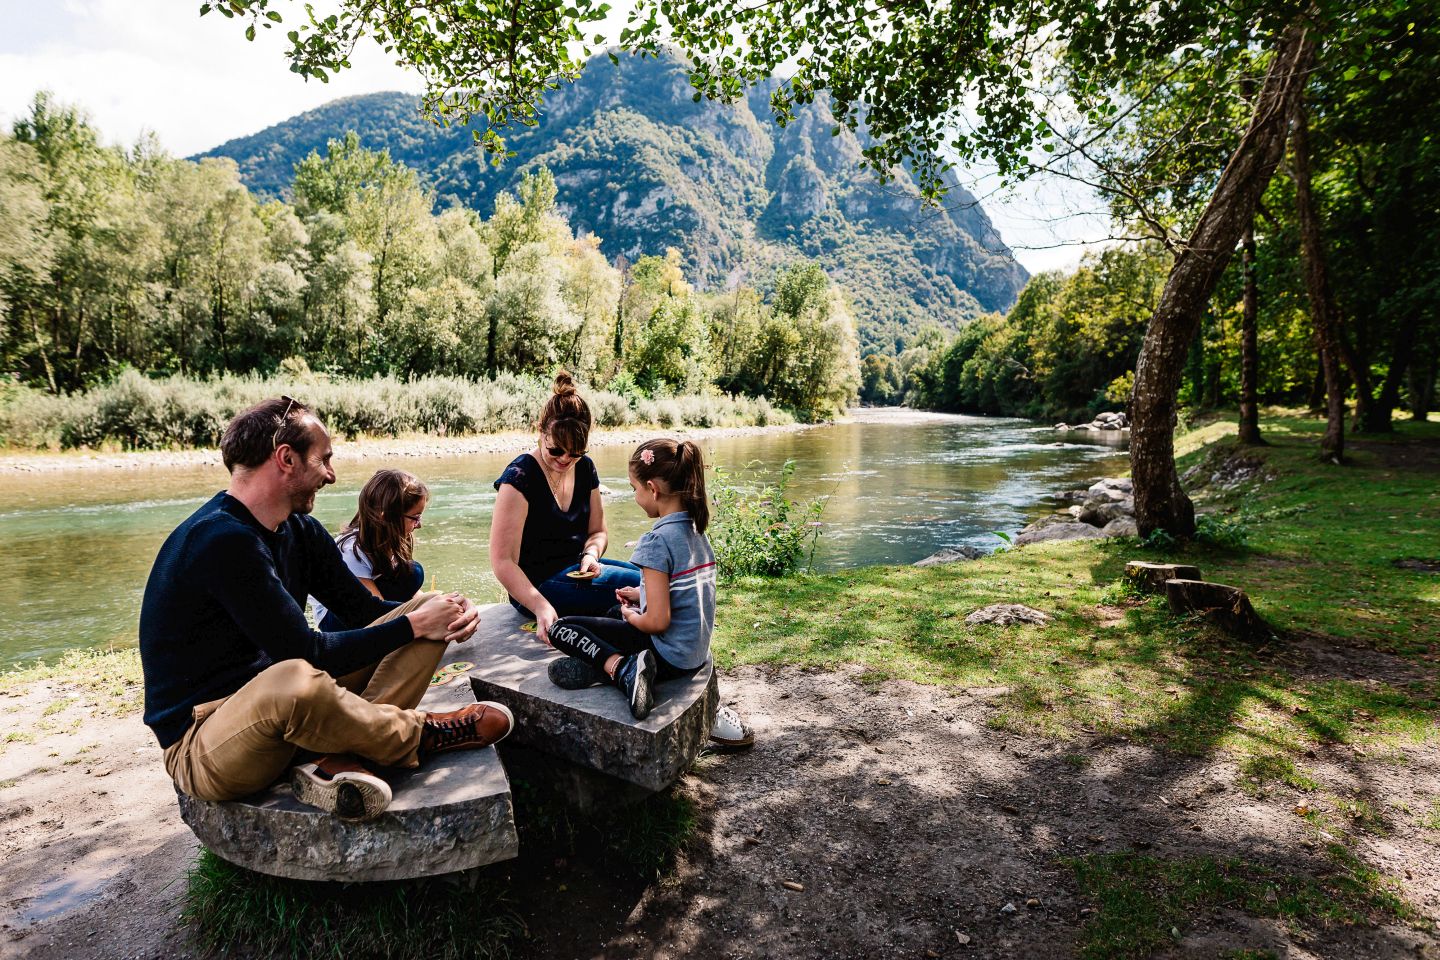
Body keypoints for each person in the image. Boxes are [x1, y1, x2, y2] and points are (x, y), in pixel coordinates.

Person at [139, 397, 514, 823]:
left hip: (290, 717)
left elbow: (361, 611)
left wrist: (437, 614)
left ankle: (342, 761)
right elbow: (307, 655)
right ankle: (420, 735)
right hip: (206, 742)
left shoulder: (299, 530)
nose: (331, 475)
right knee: (295, 677)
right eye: (324, 460)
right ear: (286, 459)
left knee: (430, 606)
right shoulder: (221, 540)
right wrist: (411, 626)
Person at [543, 439, 753, 746]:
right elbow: (685, 594)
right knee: (613, 613)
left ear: (652, 489)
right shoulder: (695, 530)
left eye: (634, 488)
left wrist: (632, 614)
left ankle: (621, 669)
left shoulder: (657, 540)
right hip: (691, 654)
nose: (636, 497)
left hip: (666, 654)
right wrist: (640, 594)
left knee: (560, 629)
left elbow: (656, 622)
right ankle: (606, 668)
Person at [489, 371, 641, 641]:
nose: (565, 460)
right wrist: (540, 606)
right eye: (556, 450)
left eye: (576, 453)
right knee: (648, 588)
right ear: (541, 430)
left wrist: (591, 555)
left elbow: (598, 532)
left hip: (578, 569)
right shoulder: (519, 478)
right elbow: (503, 562)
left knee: (653, 578)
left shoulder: (585, 468)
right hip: (535, 585)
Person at [312, 469, 429, 631]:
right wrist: (425, 617)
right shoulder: (352, 551)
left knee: (413, 572)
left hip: (368, 603)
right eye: (415, 518)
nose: (419, 525)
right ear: (386, 516)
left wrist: (434, 602)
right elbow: (374, 610)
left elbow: (411, 592)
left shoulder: (389, 537)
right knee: (414, 572)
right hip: (335, 618)